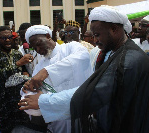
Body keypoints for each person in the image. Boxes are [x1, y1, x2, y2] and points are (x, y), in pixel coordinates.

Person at [19, 5, 149, 133]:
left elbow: (96, 92)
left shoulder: (128, 60)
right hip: (66, 116)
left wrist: (44, 100)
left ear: (114, 29)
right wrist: (29, 85)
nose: (95, 40)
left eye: (97, 35)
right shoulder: (114, 53)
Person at [22, 25, 93, 133]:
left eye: (38, 44)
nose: (38, 50)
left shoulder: (70, 48)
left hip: (81, 112)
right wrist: (27, 88)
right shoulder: (40, 65)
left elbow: (82, 57)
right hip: (57, 120)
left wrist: (47, 72)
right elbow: (35, 91)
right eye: (34, 48)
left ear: (48, 36)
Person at [0, 26, 33, 133]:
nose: (7, 40)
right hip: (2, 102)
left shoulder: (17, 54)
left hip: (18, 100)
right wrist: (18, 64)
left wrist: (26, 78)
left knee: (22, 127)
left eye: (10, 37)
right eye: (4, 38)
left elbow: (24, 71)